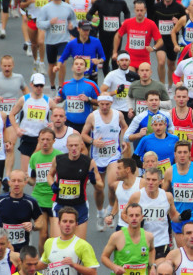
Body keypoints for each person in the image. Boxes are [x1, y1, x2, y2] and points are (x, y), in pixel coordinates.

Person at [125, 168, 192, 263]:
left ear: (160, 181)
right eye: (148, 179)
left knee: (159, 270)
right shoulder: (137, 196)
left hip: (162, 242)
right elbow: (124, 214)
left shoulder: (167, 196)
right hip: (142, 242)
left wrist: (182, 217)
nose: (150, 183)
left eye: (154, 180)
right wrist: (134, 222)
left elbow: (173, 216)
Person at [81, 94, 128, 231]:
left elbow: (125, 127)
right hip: (97, 156)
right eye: (102, 104)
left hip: (114, 154)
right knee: (99, 187)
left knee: (113, 185)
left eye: (107, 104)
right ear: (98, 104)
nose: (105, 107)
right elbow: (83, 134)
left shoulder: (118, 115)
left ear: (111, 104)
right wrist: (93, 141)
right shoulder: (92, 116)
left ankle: (110, 211)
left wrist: (123, 140)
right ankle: (100, 213)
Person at [0, 55, 29, 187]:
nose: (7, 68)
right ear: (1, 66)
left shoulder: (18, 77)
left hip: (12, 117)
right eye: (5, 66)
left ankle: (7, 176)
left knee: (10, 147)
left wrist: (24, 101)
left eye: (9, 66)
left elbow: (25, 90)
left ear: (13, 65)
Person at [47, 133, 104, 239]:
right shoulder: (58, 160)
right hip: (60, 204)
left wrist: (94, 181)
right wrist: (52, 185)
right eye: (71, 145)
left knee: (79, 247)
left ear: (81, 145)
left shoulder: (89, 162)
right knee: (56, 242)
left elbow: (100, 186)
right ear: (67, 146)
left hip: (80, 206)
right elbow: (50, 175)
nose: (74, 148)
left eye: (76, 145)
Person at [28, 127, 63, 255]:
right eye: (42, 139)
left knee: (54, 236)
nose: (45, 142)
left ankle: (52, 260)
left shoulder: (59, 156)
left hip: (55, 199)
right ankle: (43, 261)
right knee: (43, 235)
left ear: (54, 141)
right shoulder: (35, 157)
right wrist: (27, 179)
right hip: (39, 198)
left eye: (48, 139)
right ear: (39, 140)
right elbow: (33, 180)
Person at [0, 170, 43, 252]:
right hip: (3, 247)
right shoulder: (0, 200)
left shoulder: (31, 202)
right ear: (9, 182)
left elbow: (40, 221)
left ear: (25, 183)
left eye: (19, 181)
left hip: (23, 248)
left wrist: (32, 226)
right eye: (13, 181)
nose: (16, 184)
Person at [36, 0, 77, 90]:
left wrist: (72, 24)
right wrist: (50, 22)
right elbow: (39, 23)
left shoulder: (68, 7)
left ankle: (61, 85)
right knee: (51, 65)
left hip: (64, 39)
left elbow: (74, 19)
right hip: (50, 41)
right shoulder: (45, 8)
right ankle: (53, 84)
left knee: (62, 62)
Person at [86, 0, 131, 76]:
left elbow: (127, 13)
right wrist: (92, 18)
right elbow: (88, 14)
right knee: (105, 59)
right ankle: (107, 78)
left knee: (115, 59)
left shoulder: (121, 3)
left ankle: (115, 77)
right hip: (103, 35)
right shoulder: (99, 2)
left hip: (117, 36)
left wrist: (125, 22)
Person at [37, 207, 100, 274]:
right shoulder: (49, 243)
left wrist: (74, 265)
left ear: (76, 224)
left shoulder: (83, 245)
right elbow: (42, 264)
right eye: (64, 221)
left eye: (71, 222)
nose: (67, 225)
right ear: (59, 223)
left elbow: (93, 272)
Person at [101, 202, 156, 275]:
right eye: (131, 215)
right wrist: (114, 267)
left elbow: (152, 250)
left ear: (142, 217)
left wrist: (152, 266)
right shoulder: (117, 237)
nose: (134, 218)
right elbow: (104, 257)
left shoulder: (149, 236)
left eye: (137, 215)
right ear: (126, 217)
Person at [113, 0, 163, 71]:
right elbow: (117, 36)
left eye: (141, 10)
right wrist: (115, 52)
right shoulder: (128, 22)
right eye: (137, 10)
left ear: (145, 10)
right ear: (134, 10)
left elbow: (160, 40)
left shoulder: (151, 24)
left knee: (143, 79)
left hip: (144, 60)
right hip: (130, 59)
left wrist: (153, 48)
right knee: (130, 77)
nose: (139, 13)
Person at [154, 0, 187, 90]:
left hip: (173, 40)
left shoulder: (179, 8)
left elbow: (184, 24)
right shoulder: (156, 7)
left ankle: (170, 86)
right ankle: (162, 85)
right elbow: (151, 22)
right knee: (161, 61)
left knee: (171, 65)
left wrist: (178, 22)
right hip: (160, 39)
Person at [20, 0, 51, 74]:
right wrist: (30, 1)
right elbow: (22, 6)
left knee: (41, 42)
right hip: (32, 19)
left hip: (43, 20)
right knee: (34, 44)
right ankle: (36, 60)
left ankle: (42, 63)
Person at [100, 52, 140, 129]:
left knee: (127, 135)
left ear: (129, 61)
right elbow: (102, 92)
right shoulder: (112, 75)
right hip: (115, 109)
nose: (124, 62)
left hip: (129, 111)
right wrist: (115, 92)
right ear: (117, 62)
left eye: (126, 60)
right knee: (115, 133)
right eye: (121, 60)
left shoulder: (135, 76)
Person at [171, 86, 193, 161]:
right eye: (179, 97)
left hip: (190, 154)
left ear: (188, 98)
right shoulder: (170, 114)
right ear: (174, 97)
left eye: (184, 97)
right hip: (174, 154)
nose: (181, 99)